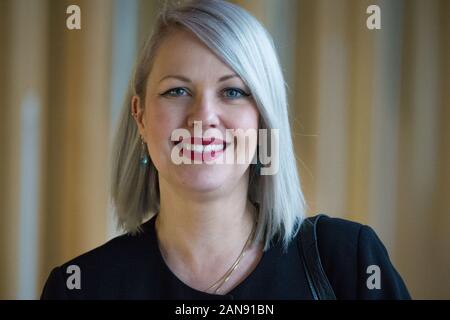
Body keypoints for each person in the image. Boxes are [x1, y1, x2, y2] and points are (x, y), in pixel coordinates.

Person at [41, 0, 410, 299]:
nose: (203, 116)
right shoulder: (81, 287)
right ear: (140, 115)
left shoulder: (348, 263)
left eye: (232, 91)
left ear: (264, 118)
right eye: (177, 91)